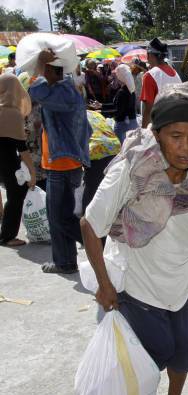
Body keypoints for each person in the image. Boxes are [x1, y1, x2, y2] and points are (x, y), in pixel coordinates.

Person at [81, 84, 188, 395]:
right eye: (175, 136)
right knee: (148, 360)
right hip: (136, 285)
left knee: (183, 356)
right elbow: (90, 224)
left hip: (179, 284)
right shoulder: (132, 170)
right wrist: (105, 286)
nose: (185, 147)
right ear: (157, 135)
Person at [29, 49, 92, 273]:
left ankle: (96, 244)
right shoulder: (64, 89)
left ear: (51, 72)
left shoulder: (61, 92)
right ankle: (66, 261)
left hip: (62, 164)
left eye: (45, 70)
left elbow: (34, 90)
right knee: (61, 215)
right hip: (63, 162)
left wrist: (39, 67)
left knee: (60, 218)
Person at [0, 73, 36, 246]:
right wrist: (32, 172)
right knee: (16, 193)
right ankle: (7, 236)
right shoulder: (12, 114)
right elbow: (22, 149)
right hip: (7, 160)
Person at [82, 109, 121, 215]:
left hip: (97, 151)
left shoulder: (73, 115)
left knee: (91, 195)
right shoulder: (94, 113)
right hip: (115, 148)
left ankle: (88, 222)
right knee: (109, 189)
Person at [140, 38, 181, 128]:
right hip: (177, 124)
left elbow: (148, 110)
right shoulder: (174, 72)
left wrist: (143, 133)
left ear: (150, 55)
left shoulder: (150, 75)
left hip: (160, 128)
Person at [113, 64, 138, 144]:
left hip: (123, 124)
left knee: (125, 150)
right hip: (132, 122)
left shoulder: (122, 92)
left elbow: (119, 110)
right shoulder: (131, 89)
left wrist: (103, 111)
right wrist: (102, 106)